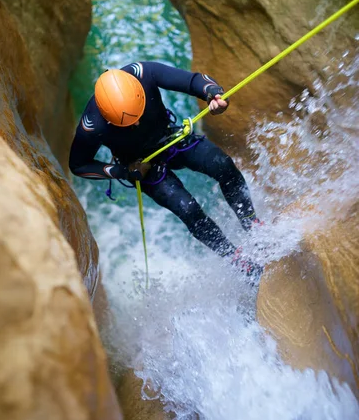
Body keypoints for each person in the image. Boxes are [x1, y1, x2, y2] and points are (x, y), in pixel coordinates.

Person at [69, 61, 263, 283]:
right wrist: (123, 171)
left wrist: (213, 93)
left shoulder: (143, 73)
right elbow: (78, 165)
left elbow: (193, 81)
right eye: (128, 122)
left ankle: (252, 225)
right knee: (189, 210)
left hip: (171, 139)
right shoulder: (92, 125)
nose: (137, 122)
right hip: (142, 167)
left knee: (223, 165)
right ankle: (237, 260)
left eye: (138, 114)